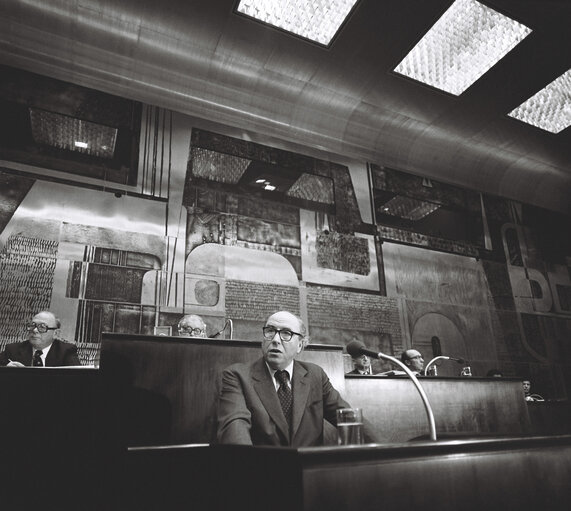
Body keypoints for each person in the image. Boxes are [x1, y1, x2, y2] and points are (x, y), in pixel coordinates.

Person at [216, 311, 375, 446]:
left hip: (311, 474)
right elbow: (235, 430)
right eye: (270, 331)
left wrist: (389, 451)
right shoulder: (237, 376)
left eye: (286, 333)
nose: (276, 340)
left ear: (300, 345)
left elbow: (348, 418)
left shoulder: (315, 375)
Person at [0, 311, 80, 367]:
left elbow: (78, 379)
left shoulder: (66, 351)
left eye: (42, 327)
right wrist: (6, 369)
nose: (34, 330)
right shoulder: (13, 350)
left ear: (56, 333)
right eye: (32, 325)